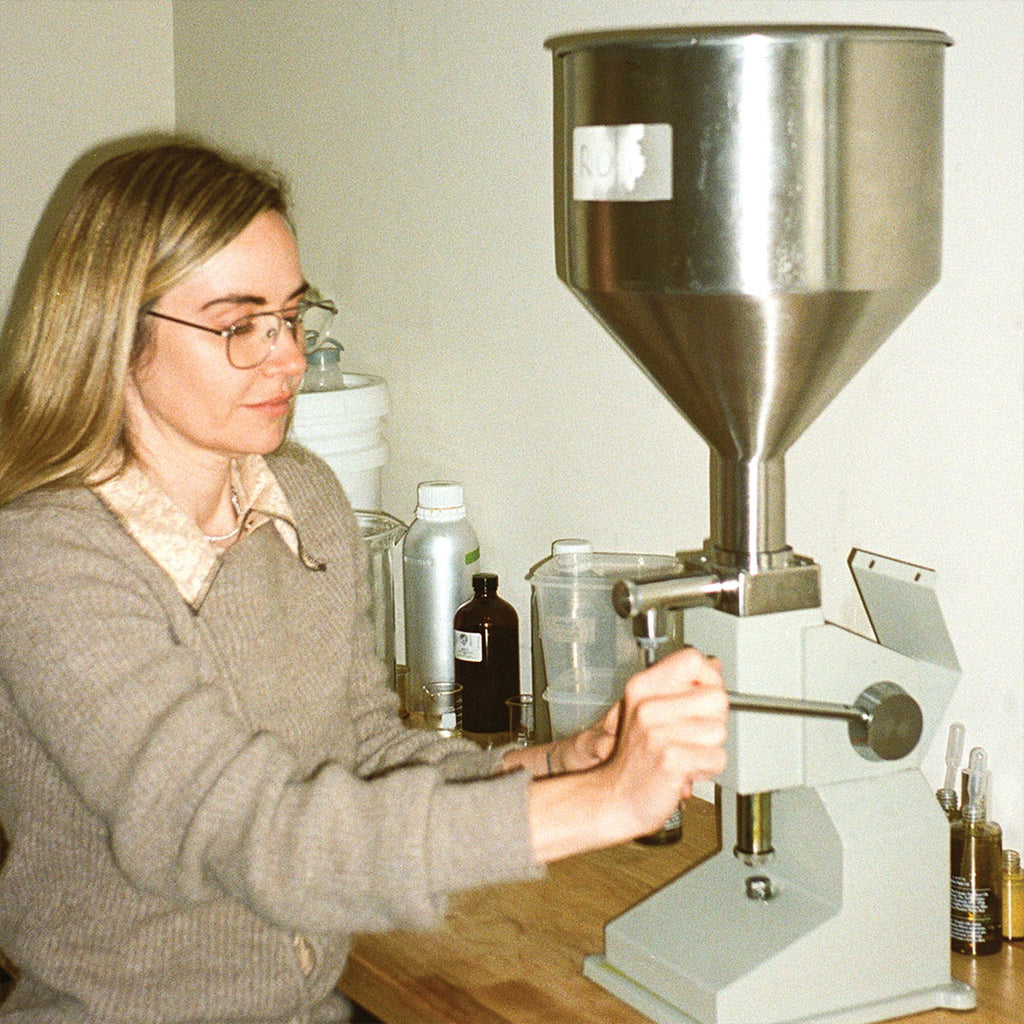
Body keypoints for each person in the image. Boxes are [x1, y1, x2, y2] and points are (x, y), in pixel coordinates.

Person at [0, 140, 728, 1024]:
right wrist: (602, 805)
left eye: (292, 318)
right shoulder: (45, 560)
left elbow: (365, 755)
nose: (287, 359)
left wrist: (549, 767)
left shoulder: (303, 498)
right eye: (240, 325)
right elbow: (251, 831)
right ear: (114, 329)